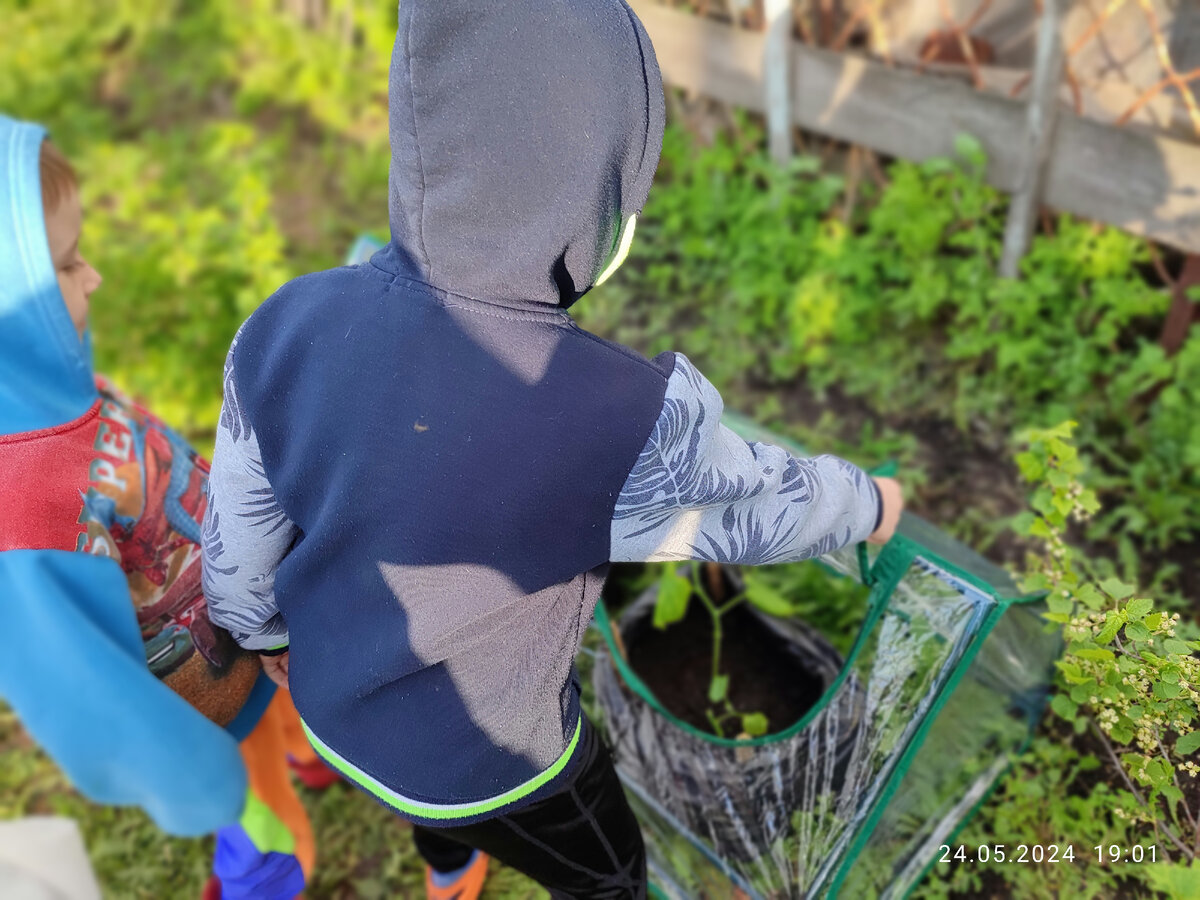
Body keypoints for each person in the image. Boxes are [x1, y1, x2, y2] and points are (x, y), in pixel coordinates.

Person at [201, 2, 903, 898]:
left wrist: (261, 633)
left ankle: (450, 870)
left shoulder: (288, 326)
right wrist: (871, 504)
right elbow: (756, 510)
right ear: (601, 192)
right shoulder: (612, 413)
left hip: (337, 706)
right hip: (498, 756)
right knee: (605, 875)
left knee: (422, 795)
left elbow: (238, 542)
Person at [0, 113, 332, 900]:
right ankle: (260, 870)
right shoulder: (22, 514)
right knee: (269, 827)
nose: (96, 278)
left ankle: (307, 747)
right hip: (208, 699)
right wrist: (199, 782)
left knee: (290, 708)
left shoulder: (43, 387)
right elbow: (84, 693)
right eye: (68, 266)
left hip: (249, 639)